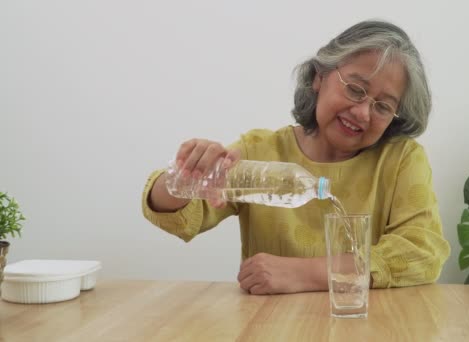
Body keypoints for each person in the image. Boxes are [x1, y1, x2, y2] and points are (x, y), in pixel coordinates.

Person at [142, 20, 450, 295]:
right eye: (355, 89)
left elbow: (423, 252)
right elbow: (183, 218)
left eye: (383, 106)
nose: (362, 112)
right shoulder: (259, 151)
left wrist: (306, 273)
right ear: (319, 77)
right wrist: (182, 176)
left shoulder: (400, 160)